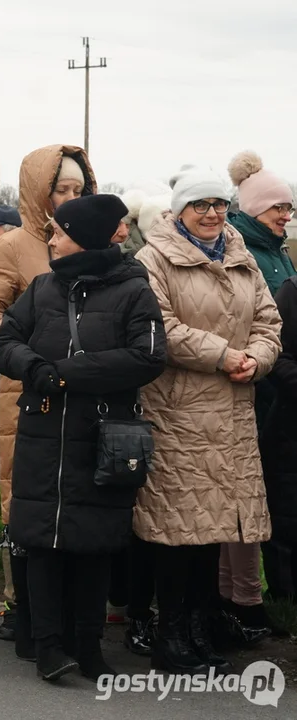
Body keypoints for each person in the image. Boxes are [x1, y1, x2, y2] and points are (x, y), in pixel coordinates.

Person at [0, 194, 166, 682]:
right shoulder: (43, 288)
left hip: (103, 438)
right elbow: (5, 340)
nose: (50, 240)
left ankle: (88, 647)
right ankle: (48, 646)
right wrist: (34, 369)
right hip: (43, 433)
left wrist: (67, 373)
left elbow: (150, 355)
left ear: (83, 238)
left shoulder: (133, 289)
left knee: (94, 544)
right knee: (43, 542)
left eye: (59, 232)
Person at [134, 166, 282, 675]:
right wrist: (224, 355)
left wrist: (257, 358)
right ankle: (170, 635)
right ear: (179, 211)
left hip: (233, 412)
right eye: (201, 205)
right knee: (178, 530)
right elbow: (159, 327)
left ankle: (200, 629)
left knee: (215, 528)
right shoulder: (153, 259)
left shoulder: (241, 255)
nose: (213, 213)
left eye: (220, 204)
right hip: (179, 413)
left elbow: (268, 319)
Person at [0, 145, 94, 647]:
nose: (69, 198)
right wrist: (35, 350)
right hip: (27, 389)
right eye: (60, 190)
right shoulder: (12, 245)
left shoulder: (92, 240)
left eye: (78, 190)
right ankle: (18, 604)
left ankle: (71, 612)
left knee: (77, 493)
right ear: (37, 192)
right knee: (24, 495)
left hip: (83, 390)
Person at [222, 150, 294, 635]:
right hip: (258, 383)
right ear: (254, 208)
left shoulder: (276, 248)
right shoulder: (244, 249)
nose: (285, 216)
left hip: (275, 382)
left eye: (289, 209)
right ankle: (254, 593)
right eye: (278, 208)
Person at [263, 277, 297, 602]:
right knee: (287, 521)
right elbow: (277, 354)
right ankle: (284, 601)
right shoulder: (293, 290)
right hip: (290, 429)